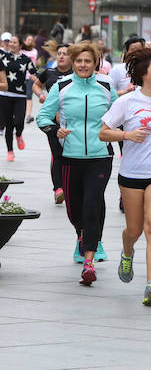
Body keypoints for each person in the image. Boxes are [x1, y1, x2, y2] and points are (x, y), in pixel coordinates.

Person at [100, 46, 151, 306]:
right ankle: (127, 252)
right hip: (132, 174)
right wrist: (127, 135)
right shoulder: (127, 101)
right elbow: (104, 132)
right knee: (134, 229)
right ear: (144, 73)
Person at [36, 42, 117, 284]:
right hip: (70, 157)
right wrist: (54, 129)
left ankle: (89, 262)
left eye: (88, 61)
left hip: (100, 157)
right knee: (74, 210)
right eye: (79, 61)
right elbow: (43, 116)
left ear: (95, 64)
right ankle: (82, 234)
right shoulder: (61, 86)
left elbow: (118, 115)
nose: (83, 65)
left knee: (92, 204)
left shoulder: (106, 85)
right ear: (73, 62)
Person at [37, 44, 73, 205]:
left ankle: (69, 186)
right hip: (52, 121)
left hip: (71, 121)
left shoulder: (76, 75)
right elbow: (37, 84)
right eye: (59, 53)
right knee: (56, 153)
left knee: (69, 154)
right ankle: (58, 189)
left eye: (65, 54)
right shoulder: (50, 72)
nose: (61, 56)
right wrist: (41, 95)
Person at [0, 35, 42, 160]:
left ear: (19, 45)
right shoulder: (3, 57)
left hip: (20, 95)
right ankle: (10, 152)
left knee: (19, 121)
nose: (11, 44)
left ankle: (19, 135)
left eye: (14, 42)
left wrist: (42, 78)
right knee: (8, 125)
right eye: (10, 42)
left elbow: (35, 72)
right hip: (5, 95)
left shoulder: (26, 59)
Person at [22, 35, 39, 122]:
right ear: (24, 41)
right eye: (28, 39)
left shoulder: (35, 51)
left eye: (32, 40)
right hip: (21, 76)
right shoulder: (21, 51)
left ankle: (28, 115)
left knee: (29, 96)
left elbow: (35, 64)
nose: (30, 41)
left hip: (30, 77)